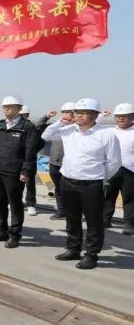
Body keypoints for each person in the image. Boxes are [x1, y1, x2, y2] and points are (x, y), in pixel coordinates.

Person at [42, 98, 121, 269]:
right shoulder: (67, 131)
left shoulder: (106, 134)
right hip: (67, 181)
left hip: (91, 184)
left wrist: (100, 178)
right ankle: (73, 249)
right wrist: (60, 121)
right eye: (77, 112)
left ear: (95, 115)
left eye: (84, 113)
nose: (79, 116)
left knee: (93, 222)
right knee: (72, 219)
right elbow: (45, 135)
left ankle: (91, 255)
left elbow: (114, 162)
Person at [0, 96, 39, 248]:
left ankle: (15, 235)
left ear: (19, 108)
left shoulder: (27, 127)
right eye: (4, 107)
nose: (6, 109)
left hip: (14, 172)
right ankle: (1, 231)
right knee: (0, 203)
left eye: (10, 106)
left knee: (15, 204)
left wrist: (26, 171)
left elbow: (30, 151)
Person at [104, 103, 134, 235]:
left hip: (130, 170)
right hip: (112, 169)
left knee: (129, 198)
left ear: (131, 117)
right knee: (108, 196)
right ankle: (105, 219)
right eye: (118, 116)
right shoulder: (110, 132)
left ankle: (129, 224)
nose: (121, 118)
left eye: (124, 116)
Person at [43, 103, 74, 221]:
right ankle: (61, 212)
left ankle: (72, 212)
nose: (66, 115)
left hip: (70, 165)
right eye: (64, 113)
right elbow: (45, 136)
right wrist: (59, 122)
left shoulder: (78, 129)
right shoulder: (59, 128)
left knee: (70, 190)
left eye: (69, 112)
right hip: (55, 164)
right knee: (58, 189)